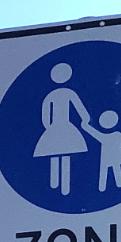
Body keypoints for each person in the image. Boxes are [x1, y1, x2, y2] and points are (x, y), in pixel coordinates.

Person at [33, 63, 92, 196]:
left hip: (57, 127)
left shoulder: (54, 95)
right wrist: (85, 119)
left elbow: (45, 114)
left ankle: (60, 185)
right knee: (63, 153)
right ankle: (59, 185)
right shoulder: (66, 93)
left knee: (57, 153)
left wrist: (48, 127)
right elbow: (80, 108)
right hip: (63, 127)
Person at [83, 110, 121, 193]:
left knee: (112, 170)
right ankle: (104, 187)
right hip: (109, 157)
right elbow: (94, 133)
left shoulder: (112, 135)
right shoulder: (112, 135)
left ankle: (108, 187)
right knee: (109, 170)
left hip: (110, 157)